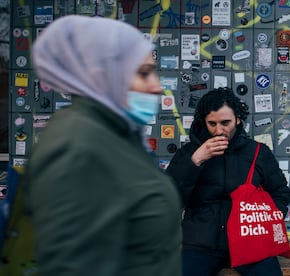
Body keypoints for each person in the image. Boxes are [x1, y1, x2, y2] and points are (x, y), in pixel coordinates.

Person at [23, 15, 181, 276]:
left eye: (154, 72)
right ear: (103, 74)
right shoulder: (76, 145)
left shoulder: (117, 134)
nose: (157, 87)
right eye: (143, 74)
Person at [167, 87, 290, 276]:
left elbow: (280, 192)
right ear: (204, 122)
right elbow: (171, 199)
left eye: (226, 123)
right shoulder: (189, 153)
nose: (219, 130)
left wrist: (264, 219)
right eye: (212, 123)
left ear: (238, 119)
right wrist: (195, 161)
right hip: (202, 245)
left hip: (250, 241)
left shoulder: (258, 152)